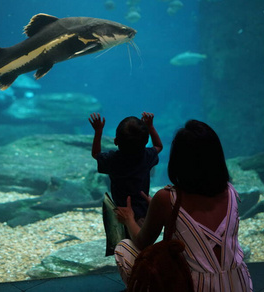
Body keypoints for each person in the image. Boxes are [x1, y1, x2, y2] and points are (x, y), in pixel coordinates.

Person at [114, 120, 253, 292]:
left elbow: (142, 242)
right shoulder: (230, 191)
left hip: (192, 286)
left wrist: (128, 218)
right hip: (238, 285)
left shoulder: (166, 198)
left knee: (124, 248)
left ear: (179, 159)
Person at [89, 112, 163, 225]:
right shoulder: (147, 156)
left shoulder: (113, 159)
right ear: (146, 141)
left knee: (124, 239)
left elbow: (96, 154)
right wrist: (150, 126)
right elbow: (158, 146)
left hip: (120, 212)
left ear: (115, 141)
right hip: (143, 209)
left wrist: (98, 131)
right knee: (140, 238)